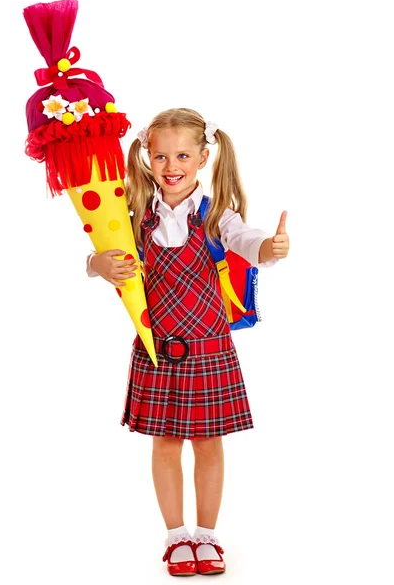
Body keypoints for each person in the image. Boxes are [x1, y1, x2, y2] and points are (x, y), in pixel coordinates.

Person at [86, 108, 290, 576]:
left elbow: (247, 242)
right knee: (164, 444)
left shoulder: (217, 215)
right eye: (160, 156)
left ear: (203, 157)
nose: (170, 165)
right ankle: (177, 537)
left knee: (209, 444)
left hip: (210, 351)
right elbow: (99, 252)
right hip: (158, 353)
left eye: (181, 155)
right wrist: (100, 264)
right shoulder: (134, 216)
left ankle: (208, 536)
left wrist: (270, 249)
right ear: (146, 157)